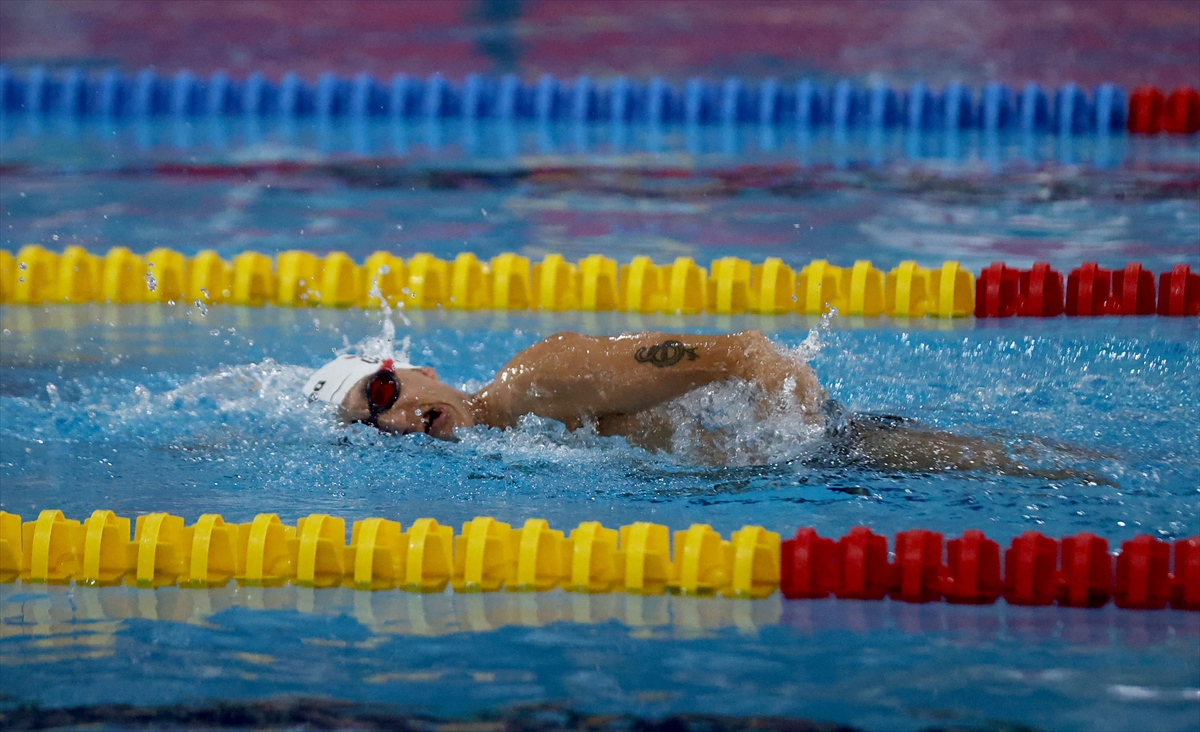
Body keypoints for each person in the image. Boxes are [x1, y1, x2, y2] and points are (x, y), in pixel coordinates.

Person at [303, 329, 1061, 476]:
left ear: (418, 370)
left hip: (836, 450)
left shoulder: (536, 381)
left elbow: (747, 354)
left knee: (1050, 472)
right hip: (806, 475)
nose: (392, 419)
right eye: (373, 425)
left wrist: (809, 428)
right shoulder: (511, 448)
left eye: (382, 392)